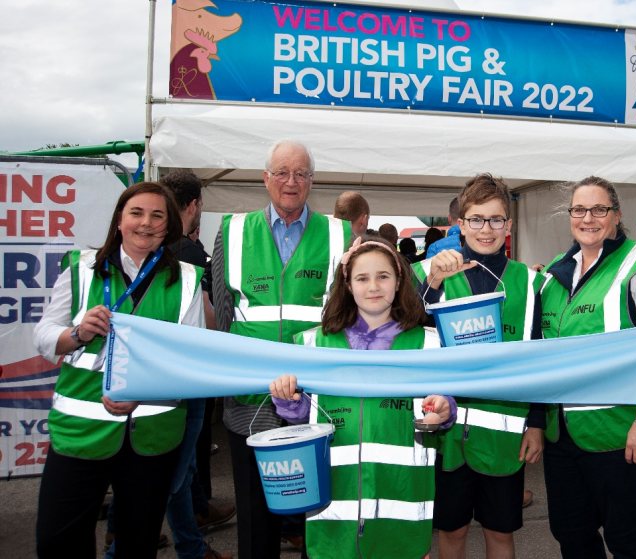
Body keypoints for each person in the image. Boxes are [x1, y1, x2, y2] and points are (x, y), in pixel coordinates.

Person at [33, 182, 205, 558]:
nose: (146, 223)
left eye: (157, 215)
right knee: (57, 540)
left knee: (138, 543)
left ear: (169, 225)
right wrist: (77, 333)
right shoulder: (82, 269)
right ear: (119, 221)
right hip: (80, 432)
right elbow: (44, 336)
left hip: (152, 436)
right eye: (136, 213)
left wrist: (138, 394)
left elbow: (189, 362)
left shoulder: (187, 280)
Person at [269, 236, 456, 558]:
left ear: (399, 282)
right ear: (348, 285)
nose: (373, 286)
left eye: (383, 276)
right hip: (334, 510)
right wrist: (289, 400)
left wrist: (444, 409)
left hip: (402, 508)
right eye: (362, 278)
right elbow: (305, 417)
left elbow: (443, 404)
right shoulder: (312, 344)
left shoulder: (430, 345)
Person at [212, 140, 352, 559]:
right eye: (282, 173)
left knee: (318, 517)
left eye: (301, 174)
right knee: (255, 525)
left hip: (315, 401)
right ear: (265, 178)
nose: (291, 182)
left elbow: (346, 317)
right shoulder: (232, 231)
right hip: (250, 401)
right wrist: (230, 385)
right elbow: (223, 314)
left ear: (312, 181)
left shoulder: (339, 233)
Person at [540, 176, 636, 558]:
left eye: (599, 209)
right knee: (571, 533)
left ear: (616, 215)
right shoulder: (554, 273)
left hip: (622, 431)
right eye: (580, 210)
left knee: (626, 536)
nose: (589, 218)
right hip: (564, 435)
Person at [413, 174, 549, 559]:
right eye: (476, 219)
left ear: (508, 224)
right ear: (460, 224)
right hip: (446, 436)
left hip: (503, 436)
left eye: (495, 219)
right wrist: (434, 283)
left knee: (500, 534)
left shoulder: (529, 281)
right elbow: (409, 329)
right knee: (451, 532)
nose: (485, 229)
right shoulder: (432, 273)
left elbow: (537, 357)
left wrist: (537, 422)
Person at [159, 170, 235, 559]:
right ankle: (188, 546)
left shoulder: (161, 250)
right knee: (176, 469)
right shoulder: (187, 254)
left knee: (176, 467)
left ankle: (190, 540)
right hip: (187, 374)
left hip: (159, 376)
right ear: (193, 205)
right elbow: (208, 317)